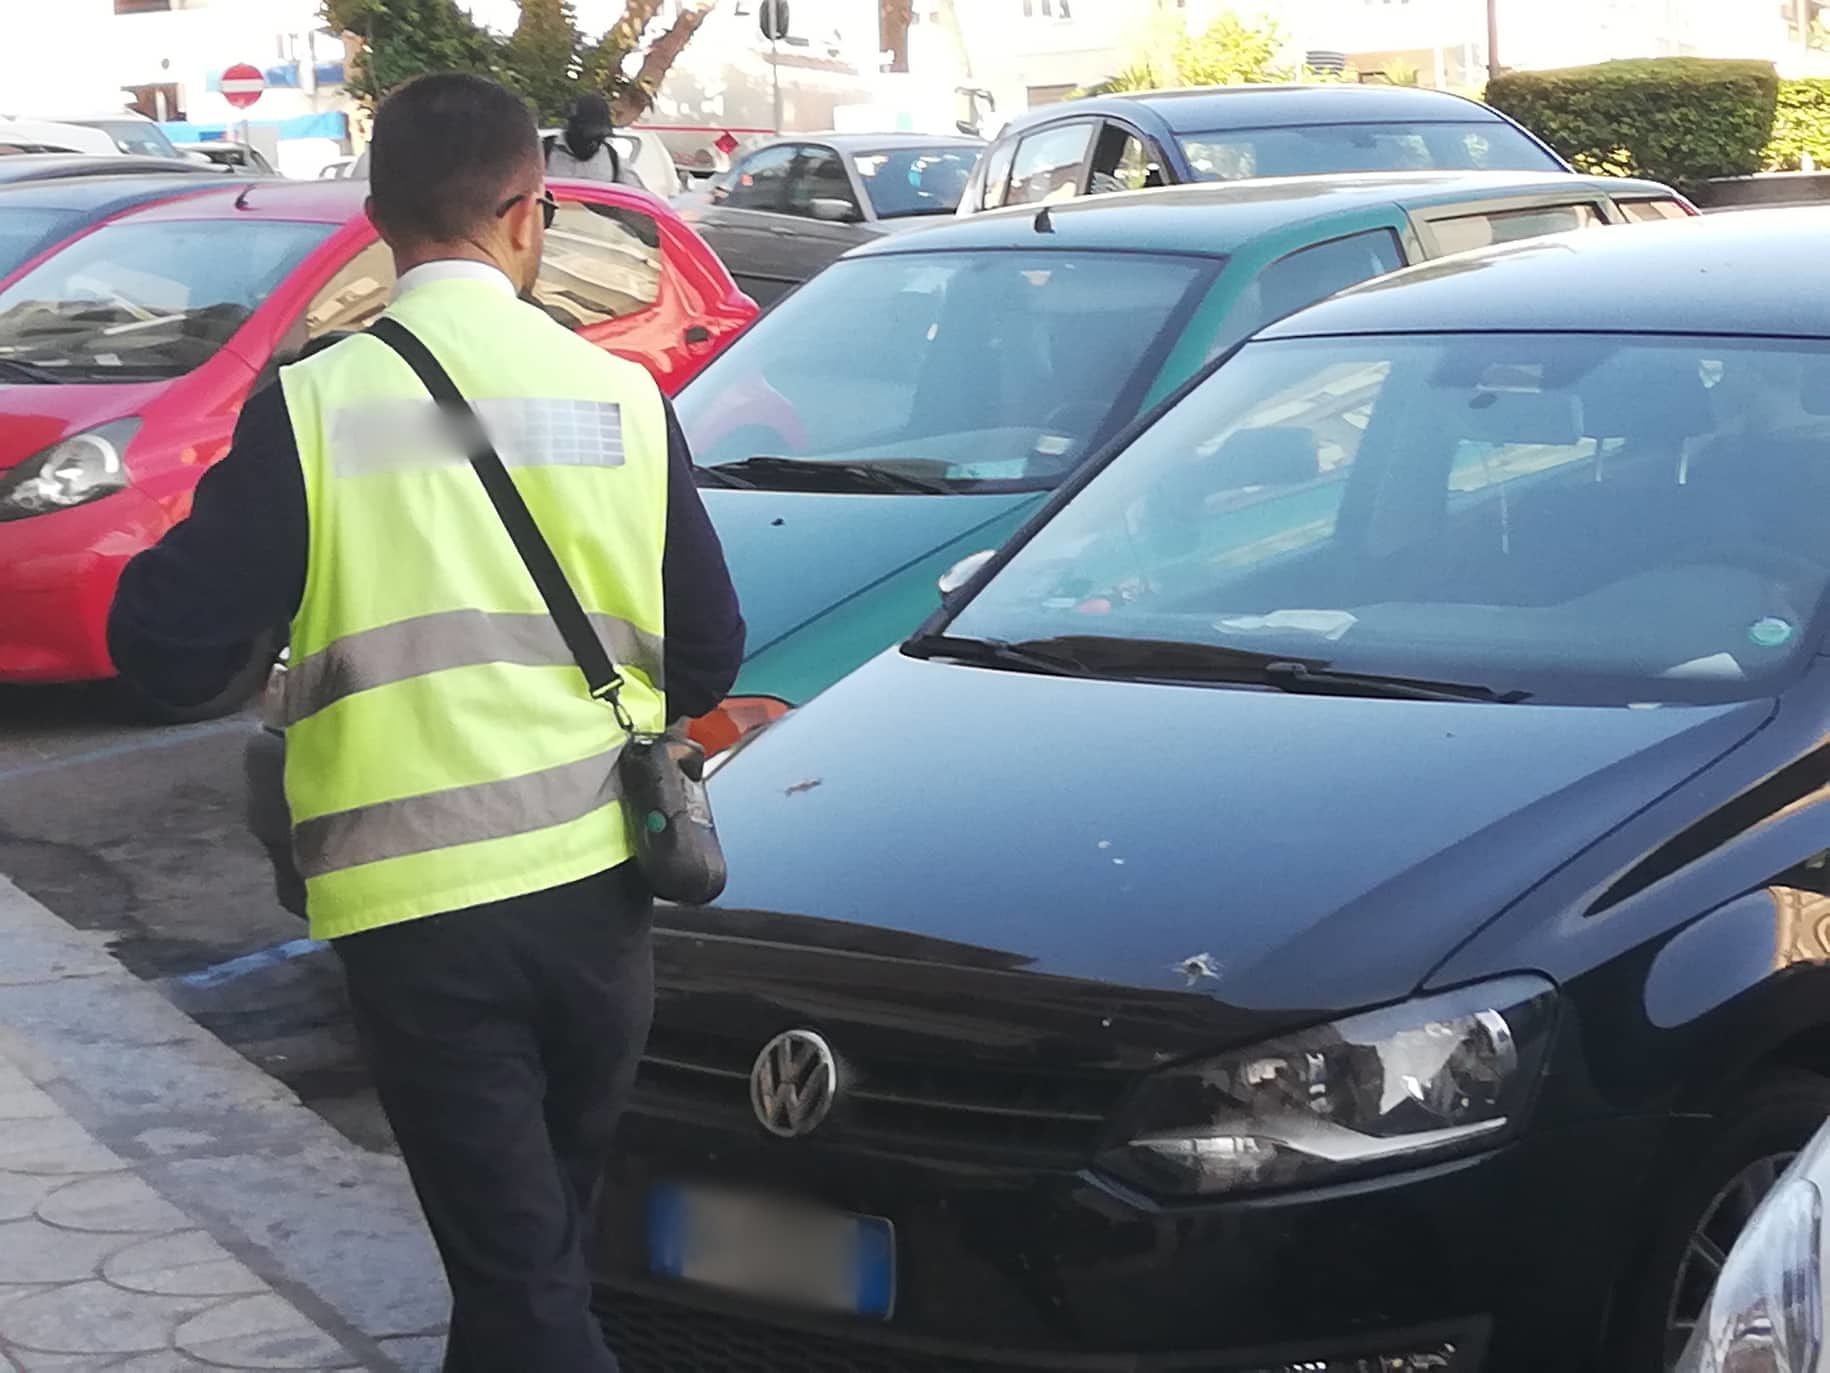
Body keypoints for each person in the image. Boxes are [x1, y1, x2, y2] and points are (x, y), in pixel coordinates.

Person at [106, 72, 744, 1370]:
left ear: (379, 219)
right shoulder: (620, 398)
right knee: (531, 1257)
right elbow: (708, 652)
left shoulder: (321, 404)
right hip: (601, 898)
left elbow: (170, 652)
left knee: (518, 1279)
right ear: (530, 214)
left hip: (420, 917)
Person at [548, 92, 621, 183]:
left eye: (600, 137)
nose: (594, 143)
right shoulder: (544, 152)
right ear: (574, 127)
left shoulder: (614, 159)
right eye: (590, 136)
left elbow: (635, 193)